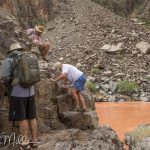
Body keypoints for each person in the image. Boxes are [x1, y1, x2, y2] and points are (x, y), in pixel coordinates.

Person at [0, 43, 38, 150]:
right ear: (20, 49)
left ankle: (25, 143)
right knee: (32, 117)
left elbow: (4, 77)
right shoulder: (27, 57)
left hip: (18, 92)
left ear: (11, 51)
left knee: (22, 118)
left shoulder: (9, 60)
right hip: (31, 91)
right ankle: (34, 141)